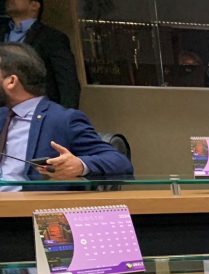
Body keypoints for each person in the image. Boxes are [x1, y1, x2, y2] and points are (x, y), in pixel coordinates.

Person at [0, 42, 133, 190]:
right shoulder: (3, 116)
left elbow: (120, 162)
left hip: (24, 202)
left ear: (11, 81)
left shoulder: (62, 119)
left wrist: (79, 165)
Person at [2, 0, 79, 108]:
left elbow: (67, 82)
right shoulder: (3, 33)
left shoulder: (52, 37)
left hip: (37, 110)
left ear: (34, 5)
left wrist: (64, 115)